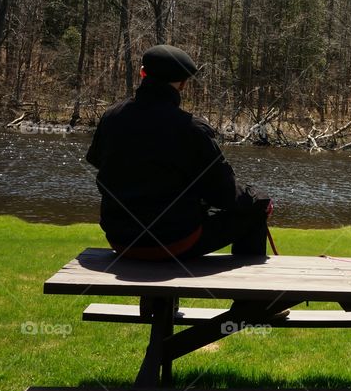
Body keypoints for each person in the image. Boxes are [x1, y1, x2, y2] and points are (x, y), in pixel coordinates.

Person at [86, 44, 271, 261]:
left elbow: (97, 160)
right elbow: (225, 195)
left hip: (120, 239)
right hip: (174, 242)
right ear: (183, 84)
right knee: (257, 205)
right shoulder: (191, 128)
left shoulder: (111, 117)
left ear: (143, 73)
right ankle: (248, 295)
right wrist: (256, 198)